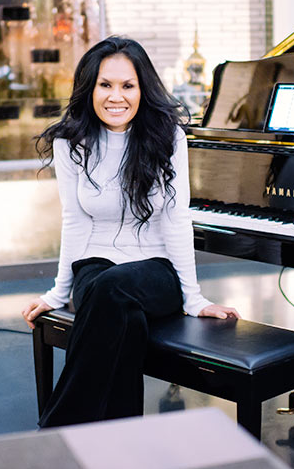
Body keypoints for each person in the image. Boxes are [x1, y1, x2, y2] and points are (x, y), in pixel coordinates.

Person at [21, 36, 240, 428]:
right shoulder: (71, 143)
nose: (115, 96)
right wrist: (58, 291)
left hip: (155, 271)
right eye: (105, 85)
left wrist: (193, 297)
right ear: (89, 88)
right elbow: (75, 219)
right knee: (126, 321)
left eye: (127, 85)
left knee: (114, 289)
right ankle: (123, 447)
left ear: (143, 89)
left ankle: (56, 431)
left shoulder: (167, 138)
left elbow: (176, 218)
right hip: (95, 266)